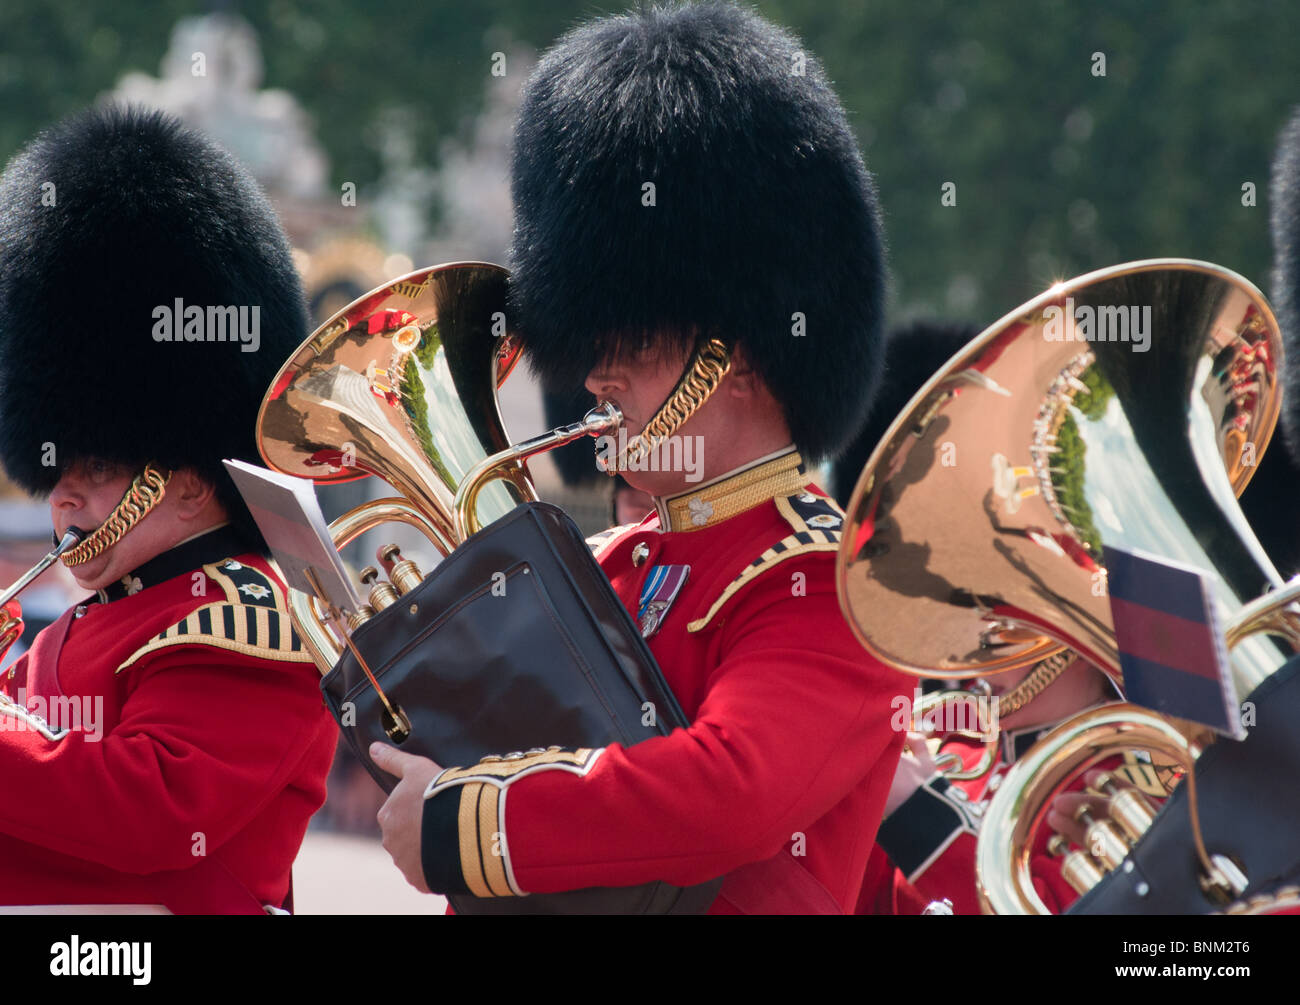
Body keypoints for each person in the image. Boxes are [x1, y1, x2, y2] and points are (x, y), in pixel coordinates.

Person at [371, 1, 908, 913]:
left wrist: (469, 821)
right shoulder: (616, 561)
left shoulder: (829, 583)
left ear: (735, 351)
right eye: (592, 339)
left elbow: (728, 797)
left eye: (634, 342)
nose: (596, 372)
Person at [0, 105, 337, 913]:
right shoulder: (82, 625)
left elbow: (151, 815)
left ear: (189, 477)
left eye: (103, 463)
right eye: (60, 464)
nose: (65, 492)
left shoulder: (246, 619)